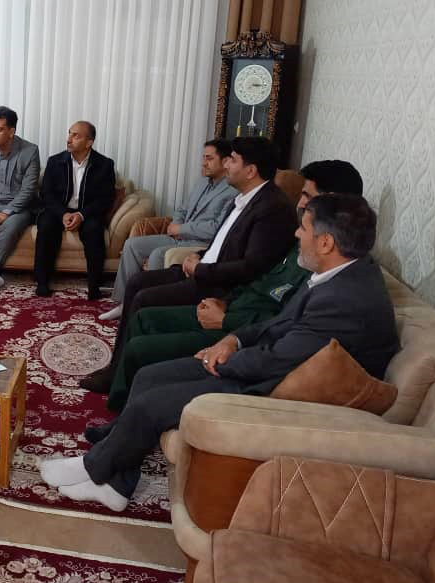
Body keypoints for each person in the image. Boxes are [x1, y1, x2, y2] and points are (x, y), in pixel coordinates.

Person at [40, 192, 400, 511]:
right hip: (269, 363)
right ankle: (117, 485)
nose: (296, 235)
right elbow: (279, 324)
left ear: (325, 242)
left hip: (276, 392)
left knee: (152, 403)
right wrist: (233, 340)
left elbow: (281, 359)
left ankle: (94, 469)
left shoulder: (344, 300)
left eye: (303, 229)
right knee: (149, 375)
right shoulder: (338, 273)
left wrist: (225, 360)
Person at [98, 160, 365, 407]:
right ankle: (117, 393)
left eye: (307, 196)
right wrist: (224, 301)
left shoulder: (321, 261)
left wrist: (228, 325)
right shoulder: (301, 241)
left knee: (142, 342)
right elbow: (257, 278)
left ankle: (121, 406)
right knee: (143, 315)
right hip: (231, 305)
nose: (299, 202)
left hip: (237, 324)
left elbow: (279, 320)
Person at [79, 136, 297, 390]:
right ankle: (117, 367)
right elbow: (225, 243)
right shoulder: (245, 198)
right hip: (206, 269)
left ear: (250, 171)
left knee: (144, 298)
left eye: (233, 160)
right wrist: (200, 255)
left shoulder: (272, 208)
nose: (227, 165)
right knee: (138, 282)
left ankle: (120, 374)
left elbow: (251, 266)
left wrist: (201, 268)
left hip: (219, 285)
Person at [100, 139, 236, 321]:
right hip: (178, 236)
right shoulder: (202, 182)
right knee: (132, 245)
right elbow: (183, 209)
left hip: (199, 243)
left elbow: (217, 228)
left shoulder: (232, 190)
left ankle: (146, 307)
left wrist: (182, 228)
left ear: (225, 161)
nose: (203, 163)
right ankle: (124, 302)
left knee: (158, 254)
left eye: (209, 158)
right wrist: (175, 225)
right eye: (203, 157)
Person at [34, 121, 116, 300]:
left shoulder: (105, 164)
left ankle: (94, 286)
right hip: (59, 210)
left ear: (89, 142)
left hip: (87, 212)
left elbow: (105, 198)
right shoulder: (55, 161)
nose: (69, 139)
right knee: (46, 225)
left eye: (76, 135)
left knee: (94, 230)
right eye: (69, 133)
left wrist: (81, 215)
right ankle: (42, 283)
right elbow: (46, 193)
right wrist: (63, 214)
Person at [0, 106, 40, 295]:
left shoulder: (30, 151)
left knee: (12, 225)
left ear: (11, 131)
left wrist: (2, 215)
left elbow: (28, 191)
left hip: (17, 208)